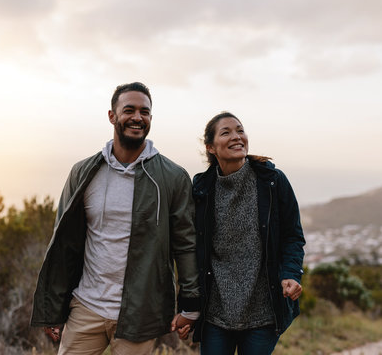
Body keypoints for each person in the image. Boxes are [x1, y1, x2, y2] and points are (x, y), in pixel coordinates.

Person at [30, 82, 200, 355]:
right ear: (112, 116)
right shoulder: (83, 172)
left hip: (140, 312)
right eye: (129, 110)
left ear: (151, 119)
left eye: (144, 112)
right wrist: (54, 307)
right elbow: (63, 243)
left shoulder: (172, 177)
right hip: (86, 307)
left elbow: (185, 243)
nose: (137, 117)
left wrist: (191, 305)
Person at [190, 112, 305, 355]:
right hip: (215, 314)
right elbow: (190, 249)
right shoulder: (201, 190)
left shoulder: (272, 181)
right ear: (211, 147)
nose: (236, 136)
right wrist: (187, 307)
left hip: (263, 314)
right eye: (226, 132)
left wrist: (291, 274)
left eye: (240, 130)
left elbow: (292, 236)